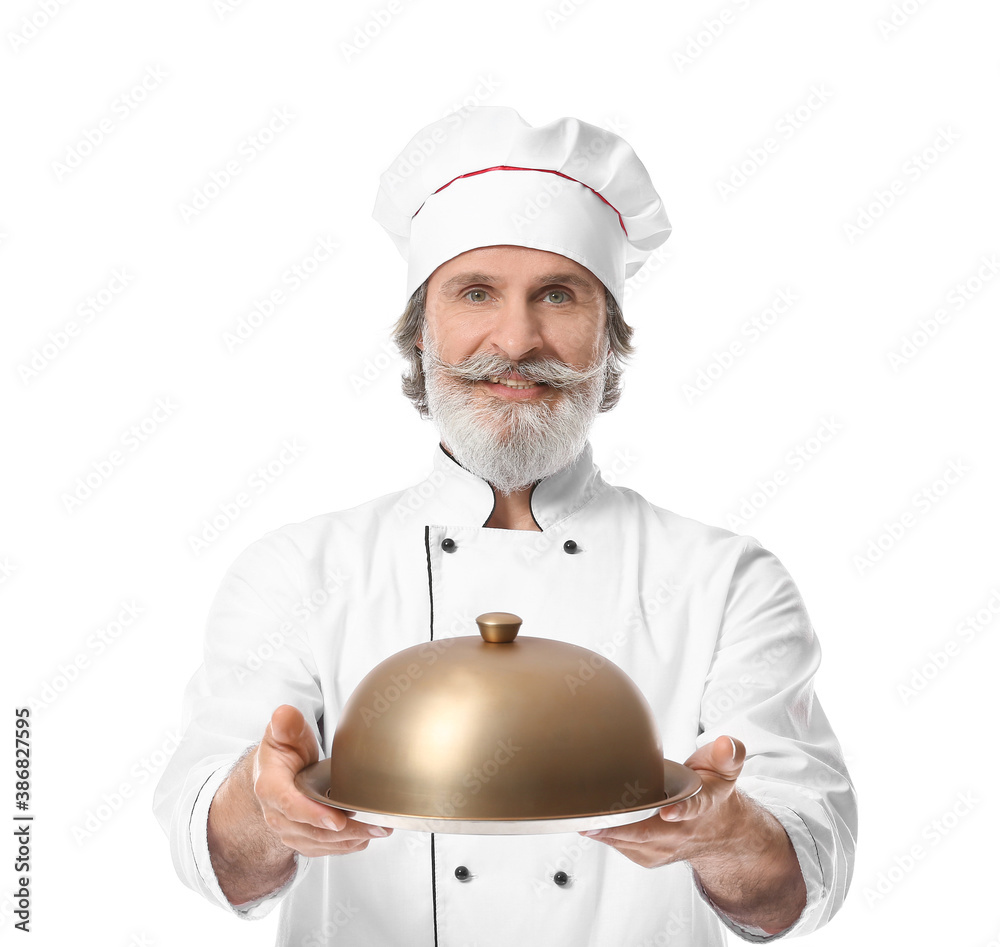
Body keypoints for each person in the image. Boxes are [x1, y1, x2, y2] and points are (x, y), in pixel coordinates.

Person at [154, 106, 857, 946]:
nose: (517, 340)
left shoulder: (726, 579)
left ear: (610, 337)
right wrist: (265, 804)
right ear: (422, 332)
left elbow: (795, 886)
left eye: (558, 294)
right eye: (476, 292)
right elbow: (216, 857)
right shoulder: (298, 569)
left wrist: (728, 832)